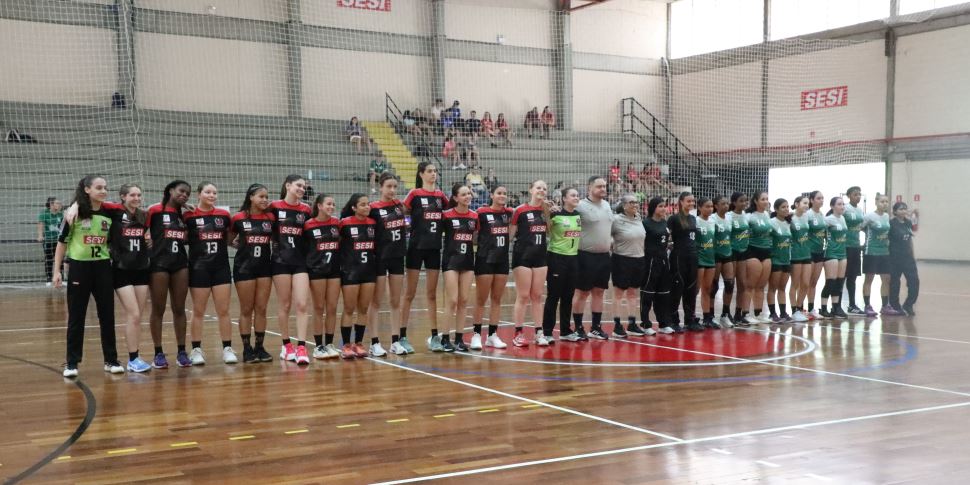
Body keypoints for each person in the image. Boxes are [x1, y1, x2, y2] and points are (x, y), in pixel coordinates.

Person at [52, 175, 123, 377]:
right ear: (86, 190)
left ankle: (111, 360)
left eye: (105, 188)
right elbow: (62, 243)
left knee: (107, 316)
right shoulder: (73, 215)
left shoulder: (110, 214)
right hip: (79, 269)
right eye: (99, 187)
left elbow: (130, 204)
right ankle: (72, 363)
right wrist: (57, 270)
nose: (103, 191)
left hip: (102, 268)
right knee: (76, 317)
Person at [183, 182, 235, 365]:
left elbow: (229, 239)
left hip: (220, 267)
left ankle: (227, 348)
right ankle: (196, 349)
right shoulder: (188, 215)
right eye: (208, 192)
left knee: (224, 311)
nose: (212, 195)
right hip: (198, 268)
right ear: (199, 194)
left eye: (214, 192)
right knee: (198, 311)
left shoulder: (224, 215)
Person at [401, 162, 449, 352]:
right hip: (415, 248)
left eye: (435, 171)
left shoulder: (441, 196)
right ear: (421, 174)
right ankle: (402, 336)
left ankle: (434, 336)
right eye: (429, 171)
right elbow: (402, 212)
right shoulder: (414, 194)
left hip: (434, 249)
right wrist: (407, 226)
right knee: (410, 294)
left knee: (431, 294)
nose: (433, 174)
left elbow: (451, 212)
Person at [103, 185, 151, 372]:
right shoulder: (115, 211)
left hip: (141, 268)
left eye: (139, 194)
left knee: (138, 316)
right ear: (123, 197)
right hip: (121, 268)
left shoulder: (143, 215)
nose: (136, 198)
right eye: (132, 195)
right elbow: (92, 204)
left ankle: (135, 356)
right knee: (134, 314)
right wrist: (74, 207)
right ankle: (132, 358)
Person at [147, 180, 192, 368]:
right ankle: (158, 353)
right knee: (158, 309)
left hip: (180, 263)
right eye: (181, 191)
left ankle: (182, 351)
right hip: (159, 264)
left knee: (180, 308)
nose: (184, 195)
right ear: (171, 190)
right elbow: (138, 227)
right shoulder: (155, 210)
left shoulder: (185, 215)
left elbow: (188, 238)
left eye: (188, 193)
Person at [230, 184, 275, 363]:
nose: (264, 200)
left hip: (264, 267)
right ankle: (247, 349)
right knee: (247, 309)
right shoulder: (238, 218)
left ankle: (260, 347)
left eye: (266, 197)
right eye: (261, 196)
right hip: (244, 267)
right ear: (251, 197)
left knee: (262, 309)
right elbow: (229, 239)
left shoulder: (270, 218)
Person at [271, 175, 312, 364]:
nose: (302, 189)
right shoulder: (274, 206)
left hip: (300, 262)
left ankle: (302, 347)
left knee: (302, 304)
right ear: (287, 185)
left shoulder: (306, 210)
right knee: (285, 305)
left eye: (304, 187)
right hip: (280, 261)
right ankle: (286, 345)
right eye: (298, 185)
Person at [368, 173, 410, 355]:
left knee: (395, 300)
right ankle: (374, 342)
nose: (392, 190)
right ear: (380, 187)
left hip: (397, 257)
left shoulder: (400, 207)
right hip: (379, 258)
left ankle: (395, 340)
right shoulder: (373, 208)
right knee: (376, 301)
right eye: (389, 187)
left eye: (395, 186)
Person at [471, 185, 513, 350]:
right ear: (492, 195)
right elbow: (473, 233)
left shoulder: (509, 213)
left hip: (502, 259)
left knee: (497, 299)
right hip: (484, 259)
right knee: (481, 299)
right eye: (499, 193)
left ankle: (492, 335)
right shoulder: (481, 212)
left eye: (504, 193)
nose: (502, 196)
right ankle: (476, 334)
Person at [510, 180, 552, 346]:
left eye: (544, 188)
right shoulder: (520, 210)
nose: (541, 190)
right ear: (531, 190)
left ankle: (539, 332)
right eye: (538, 188)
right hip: (522, 257)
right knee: (523, 295)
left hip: (541, 256)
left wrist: (548, 212)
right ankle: (518, 333)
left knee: (537, 295)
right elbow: (510, 235)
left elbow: (549, 231)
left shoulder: (545, 210)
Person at [572, 177, 614, 339]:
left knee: (599, 292)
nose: (603, 188)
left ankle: (596, 327)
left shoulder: (607, 205)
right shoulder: (580, 206)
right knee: (582, 293)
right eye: (599, 186)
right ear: (590, 188)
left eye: (604, 186)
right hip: (584, 256)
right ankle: (578, 327)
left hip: (604, 256)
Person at [338, 194, 379, 358]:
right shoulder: (344, 223)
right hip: (350, 271)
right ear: (354, 207)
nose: (367, 207)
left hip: (369, 271)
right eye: (362, 204)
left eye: (368, 204)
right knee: (349, 308)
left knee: (363, 308)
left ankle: (359, 343)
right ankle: (346, 345)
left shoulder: (373, 224)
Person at [304, 193, 343, 360]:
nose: (331, 207)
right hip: (316, 270)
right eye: (328, 204)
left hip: (334, 269)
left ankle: (329, 343)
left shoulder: (337, 224)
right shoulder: (308, 225)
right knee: (319, 307)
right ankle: (318, 346)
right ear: (319, 206)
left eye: (333, 204)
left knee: (332, 307)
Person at [440, 184, 478, 352]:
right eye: (463, 194)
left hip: (468, 261)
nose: (467, 196)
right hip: (450, 261)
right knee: (453, 300)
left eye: (468, 193)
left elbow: (475, 238)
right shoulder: (446, 215)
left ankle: (460, 338)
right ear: (455, 198)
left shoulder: (474, 216)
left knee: (463, 300)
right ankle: (445, 338)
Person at [544, 187, 582, 343]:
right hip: (557, 258)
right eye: (573, 195)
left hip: (573, 258)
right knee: (554, 296)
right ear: (564, 198)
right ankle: (547, 332)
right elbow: (547, 230)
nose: (576, 197)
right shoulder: (556, 214)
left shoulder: (578, 215)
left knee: (568, 296)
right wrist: (546, 211)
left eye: (577, 195)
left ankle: (566, 331)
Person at [611, 194, 649, 336]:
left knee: (633, 293)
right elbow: (607, 236)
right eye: (631, 202)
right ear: (624, 205)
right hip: (622, 259)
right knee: (619, 293)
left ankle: (632, 324)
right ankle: (617, 326)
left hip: (639, 259)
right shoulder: (616, 220)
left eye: (636, 202)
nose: (635, 204)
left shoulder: (638, 218)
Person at [641, 197, 677, 334]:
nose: (664, 209)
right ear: (653, 208)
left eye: (664, 206)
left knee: (663, 293)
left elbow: (664, 241)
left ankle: (663, 324)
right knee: (648, 293)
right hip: (650, 262)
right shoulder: (645, 223)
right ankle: (645, 324)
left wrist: (670, 246)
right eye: (660, 206)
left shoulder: (664, 223)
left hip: (663, 261)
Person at [669, 192, 702, 331]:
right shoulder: (674, 219)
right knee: (677, 288)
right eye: (688, 201)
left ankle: (690, 320)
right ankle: (673, 321)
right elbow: (668, 238)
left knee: (691, 289)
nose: (691, 204)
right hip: (678, 257)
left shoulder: (693, 219)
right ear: (681, 202)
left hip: (692, 257)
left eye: (692, 201)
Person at [743, 190, 773, 325]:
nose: (766, 202)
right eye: (763, 199)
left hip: (766, 252)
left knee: (761, 286)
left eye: (767, 199)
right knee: (750, 285)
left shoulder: (767, 215)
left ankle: (758, 313)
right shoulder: (748, 216)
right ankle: (745, 313)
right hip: (752, 251)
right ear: (755, 201)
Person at [860, 194, 893, 317]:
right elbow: (860, 227)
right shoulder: (869, 216)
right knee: (869, 279)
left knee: (886, 279)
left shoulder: (886, 216)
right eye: (882, 201)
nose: (884, 204)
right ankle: (867, 306)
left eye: (886, 201)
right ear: (876, 202)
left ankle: (885, 306)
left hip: (884, 252)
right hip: (871, 252)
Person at [888, 202, 919, 316]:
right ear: (895, 211)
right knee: (895, 282)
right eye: (901, 209)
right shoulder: (891, 223)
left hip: (907, 258)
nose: (903, 211)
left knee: (914, 281)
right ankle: (894, 305)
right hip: (894, 257)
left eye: (905, 209)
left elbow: (910, 239)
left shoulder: (908, 223)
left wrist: (913, 255)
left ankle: (909, 304)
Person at [820, 196, 848, 319]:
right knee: (830, 282)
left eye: (843, 204)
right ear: (832, 206)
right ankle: (823, 308)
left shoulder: (842, 218)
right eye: (839, 204)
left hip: (842, 253)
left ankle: (836, 307)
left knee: (839, 282)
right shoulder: (828, 219)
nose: (842, 206)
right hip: (831, 253)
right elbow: (818, 232)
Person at [695, 197, 719, 328]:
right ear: (699, 208)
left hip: (710, 259)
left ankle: (707, 318)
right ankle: (691, 317)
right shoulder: (696, 222)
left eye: (711, 206)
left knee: (708, 289)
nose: (710, 209)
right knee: (696, 289)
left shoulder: (712, 222)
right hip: (699, 259)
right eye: (707, 206)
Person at [711, 196, 735, 328]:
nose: (726, 206)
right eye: (723, 204)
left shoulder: (730, 218)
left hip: (728, 254)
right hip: (716, 255)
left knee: (730, 284)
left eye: (727, 203)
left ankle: (725, 314)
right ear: (716, 206)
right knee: (713, 286)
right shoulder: (713, 219)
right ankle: (710, 316)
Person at [788, 196, 812, 322]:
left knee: (806, 284)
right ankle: (794, 310)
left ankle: (799, 307)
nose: (806, 205)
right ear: (796, 204)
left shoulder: (807, 216)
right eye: (804, 203)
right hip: (795, 254)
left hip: (806, 253)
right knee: (795, 284)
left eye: (808, 203)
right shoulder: (791, 217)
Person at [768, 199, 793, 322]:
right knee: (773, 288)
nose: (787, 209)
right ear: (776, 209)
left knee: (782, 288)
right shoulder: (771, 223)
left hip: (786, 260)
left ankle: (783, 312)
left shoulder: (789, 224)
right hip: (775, 260)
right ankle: (772, 313)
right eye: (783, 207)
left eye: (787, 207)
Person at [726, 193, 749, 326]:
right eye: (741, 201)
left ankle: (738, 313)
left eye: (745, 201)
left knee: (743, 284)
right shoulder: (729, 216)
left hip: (743, 252)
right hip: (732, 252)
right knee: (730, 284)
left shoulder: (746, 216)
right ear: (734, 202)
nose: (744, 203)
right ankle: (726, 312)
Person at [843, 186, 866, 315]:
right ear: (849, 195)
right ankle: (836, 305)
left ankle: (852, 305)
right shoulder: (844, 208)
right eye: (855, 194)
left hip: (855, 247)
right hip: (845, 247)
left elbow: (862, 226)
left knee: (852, 278)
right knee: (841, 278)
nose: (858, 196)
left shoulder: (859, 210)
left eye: (859, 194)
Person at [805, 190, 827, 319]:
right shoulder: (808, 214)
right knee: (806, 282)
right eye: (819, 198)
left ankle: (812, 308)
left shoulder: (822, 215)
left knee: (814, 282)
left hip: (820, 251)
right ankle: (800, 309)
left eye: (822, 198)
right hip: (809, 251)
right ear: (812, 200)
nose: (821, 200)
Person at [38, 197, 64, 285]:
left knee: (60, 259)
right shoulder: (44, 214)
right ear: (51, 205)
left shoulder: (61, 214)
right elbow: (41, 225)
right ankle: (49, 279)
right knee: (49, 259)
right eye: (57, 203)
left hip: (59, 241)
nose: (59, 205)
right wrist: (40, 235)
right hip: (49, 240)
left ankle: (61, 278)